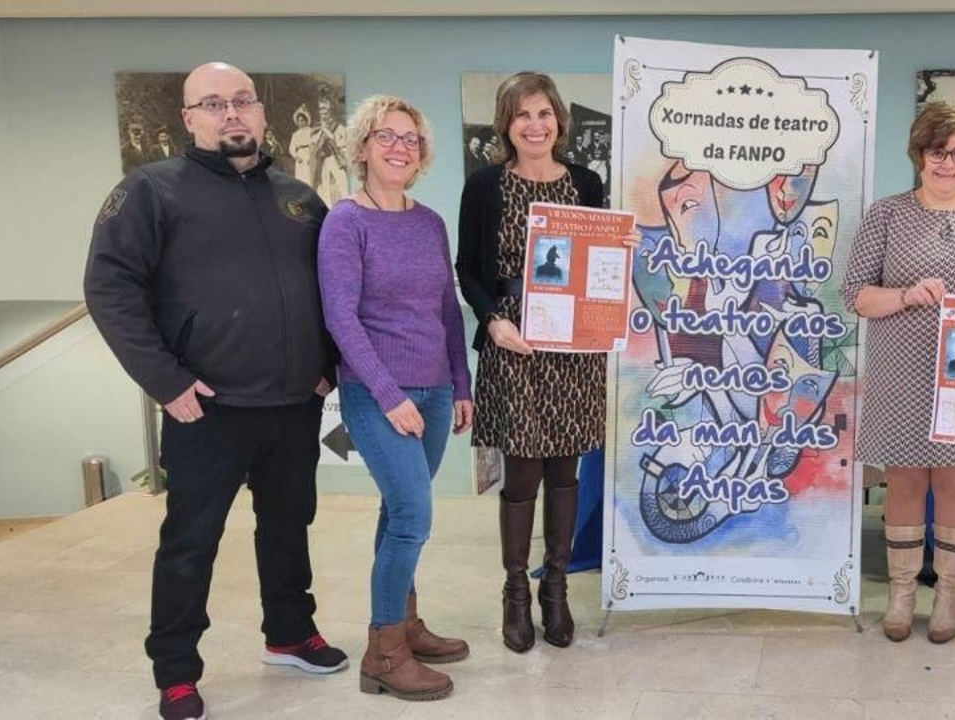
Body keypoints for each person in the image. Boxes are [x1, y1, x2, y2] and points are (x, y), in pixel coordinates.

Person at [83, 62, 347, 720]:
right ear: (189, 119)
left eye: (241, 101)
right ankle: (175, 670)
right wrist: (165, 381)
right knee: (190, 542)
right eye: (213, 104)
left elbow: (338, 292)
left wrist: (329, 366)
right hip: (204, 408)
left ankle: (289, 632)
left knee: (288, 526)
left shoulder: (300, 198)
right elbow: (109, 288)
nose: (230, 114)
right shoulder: (151, 191)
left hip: (293, 404)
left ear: (261, 113)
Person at [841, 102, 955, 644]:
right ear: (919, 156)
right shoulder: (887, 214)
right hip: (900, 368)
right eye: (936, 152)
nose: (947, 163)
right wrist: (903, 294)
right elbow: (855, 295)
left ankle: (948, 595)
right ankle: (901, 594)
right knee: (904, 478)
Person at [455, 71, 620, 654]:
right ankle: (516, 593)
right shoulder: (484, 186)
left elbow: (601, 258)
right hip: (513, 345)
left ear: (559, 121)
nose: (535, 125)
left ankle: (557, 588)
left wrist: (621, 264)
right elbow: (467, 269)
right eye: (523, 114)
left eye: (544, 113)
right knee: (523, 472)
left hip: (573, 351)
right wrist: (492, 322)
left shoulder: (586, 182)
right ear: (506, 123)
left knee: (565, 473)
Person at [318, 94, 473, 702]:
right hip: (375, 392)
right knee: (413, 516)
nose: (399, 147)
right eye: (386, 136)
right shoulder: (345, 222)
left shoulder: (428, 222)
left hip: (435, 391)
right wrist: (387, 395)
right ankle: (383, 653)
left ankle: (404, 625)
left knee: (398, 512)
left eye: (410, 139)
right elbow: (340, 317)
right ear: (362, 148)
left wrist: (461, 385)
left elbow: (446, 312)